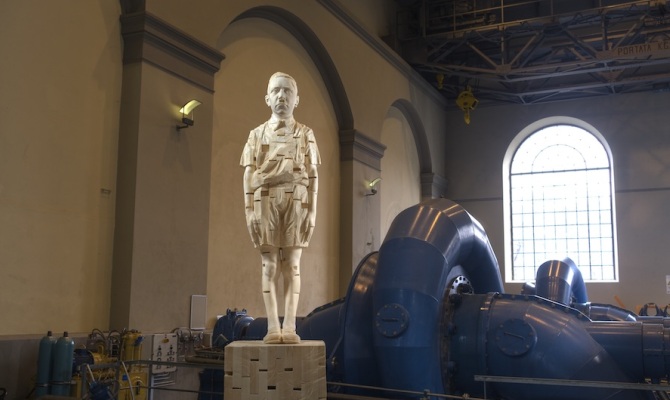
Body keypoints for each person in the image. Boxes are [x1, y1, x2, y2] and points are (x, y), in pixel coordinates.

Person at [240, 72, 320, 344]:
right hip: (265, 198)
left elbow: (313, 174)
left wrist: (312, 211)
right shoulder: (256, 134)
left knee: (293, 265)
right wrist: (249, 210)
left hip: (297, 198)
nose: (282, 96)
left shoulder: (305, 134)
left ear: (297, 100)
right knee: (269, 264)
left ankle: (290, 326)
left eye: (287, 91)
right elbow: (248, 173)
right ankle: (273, 326)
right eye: (276, 91)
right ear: (267, 98)